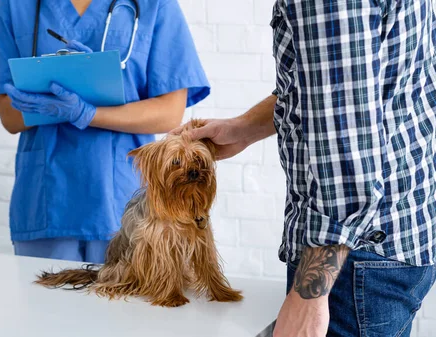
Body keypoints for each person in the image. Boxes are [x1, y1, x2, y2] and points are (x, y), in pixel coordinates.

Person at [174, 0, 436, 335]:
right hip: (396, 239)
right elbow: (368, 87)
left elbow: (348, 142)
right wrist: (244, 128)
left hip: (352, 261)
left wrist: (310, 294)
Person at [0, 0, 209, 264]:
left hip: (124, 197)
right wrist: (52, 106)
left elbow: (170, 112)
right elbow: (9, 116)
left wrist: (88, 114)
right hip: (48, 199)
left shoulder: (154, 4)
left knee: (127, 302)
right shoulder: (16, 6)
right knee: (44, 304)